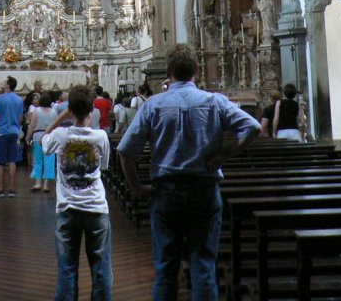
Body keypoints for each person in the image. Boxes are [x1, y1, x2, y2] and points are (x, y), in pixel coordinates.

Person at [118, 44, 260, 301]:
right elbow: (253, 127)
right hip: (204, 190)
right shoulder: (213, 101)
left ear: (169, 72)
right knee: (203, 266)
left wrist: (137, 188)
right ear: (196, 70)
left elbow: (125, 151)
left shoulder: (153, 105)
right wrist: (224, 156)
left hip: (165, 191)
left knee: (165, 268)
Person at [42, 84, 112, 301]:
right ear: (92, 109)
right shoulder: (100, 137)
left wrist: (62, 115)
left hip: (67, 208)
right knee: (101, 269)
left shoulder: (60, 135)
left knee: (66, 269)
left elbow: (44, 139)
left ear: (70, 109)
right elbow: (104, 167)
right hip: (96, 208)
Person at [0, 76, 24, 197]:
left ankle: (0, 189)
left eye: (4, 81)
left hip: (2, 131)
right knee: (12, 160)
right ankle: (12, 189)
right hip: (14, 131)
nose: (2, 82)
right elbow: (20, 118)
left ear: (8, 85)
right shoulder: (19, 100)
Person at [26, 92, 56, 192]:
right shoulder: (54, 112)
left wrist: (27, 137)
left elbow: (32, 125)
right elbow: (56, 126)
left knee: (37, 160)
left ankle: (38, 183)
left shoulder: (37, 111)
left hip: (37, 136)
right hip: (50, 137)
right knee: (49, 160)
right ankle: (46, 185)